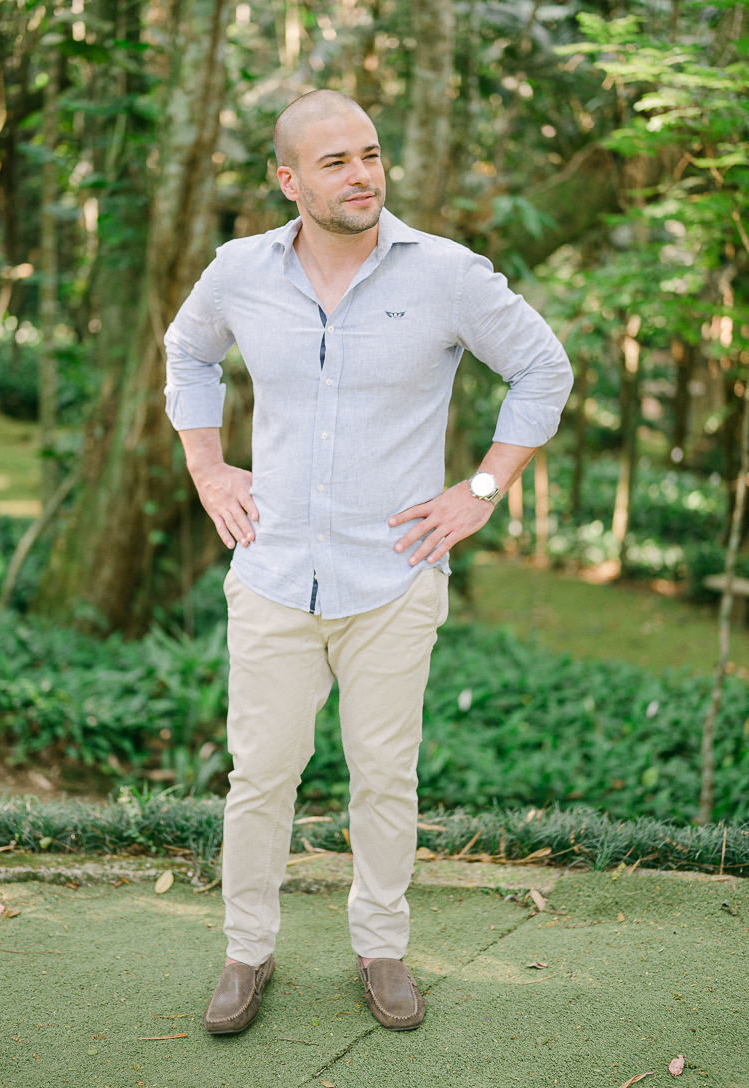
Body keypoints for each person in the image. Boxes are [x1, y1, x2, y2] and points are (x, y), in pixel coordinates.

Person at [163, 89, 573, 1035]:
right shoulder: (239, 270)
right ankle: (246, 953)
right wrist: (207, 465)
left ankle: (381, 949)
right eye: (337, 161)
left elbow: (543, 368)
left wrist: (481, 490)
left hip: (394, 576)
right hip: (272, 572)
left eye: (372, 155)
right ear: (289, 180)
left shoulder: (449, 275)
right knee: (260, 776)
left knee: (385, 776)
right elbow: (187, 353)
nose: (363, 175)